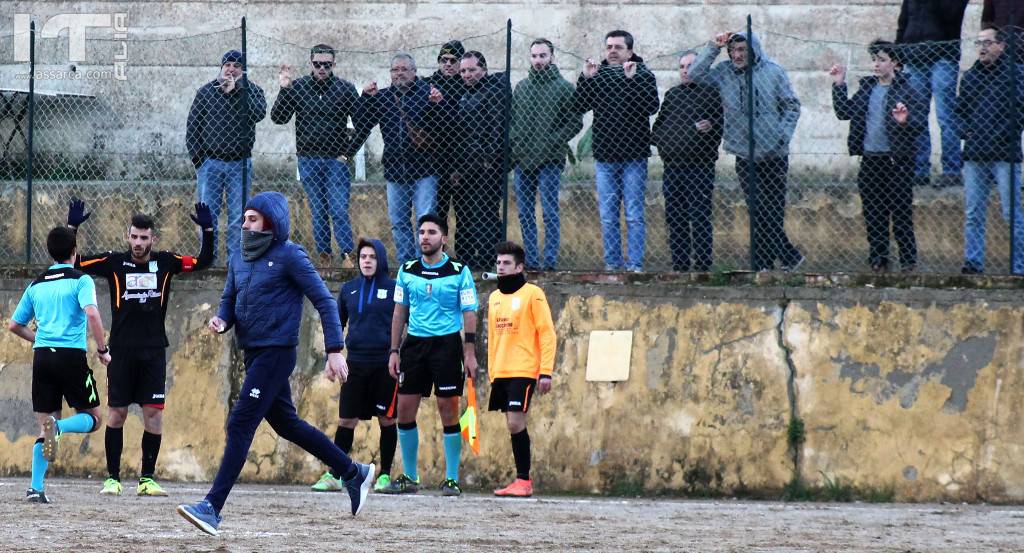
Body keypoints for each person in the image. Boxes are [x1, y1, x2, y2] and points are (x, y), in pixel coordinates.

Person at [177, 192, 373, 536]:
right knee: (287, 424)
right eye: (245, 218)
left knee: (240, 423)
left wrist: (334, 349)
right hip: (253, 352)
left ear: (271, 222)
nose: (245, 224)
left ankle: (211, 507)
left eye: (253, 219)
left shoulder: (290, 255)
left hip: (276, 353)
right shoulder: (239, 256)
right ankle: (354, 472)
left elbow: (325, 301)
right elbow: (229, 298)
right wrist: (223, 320)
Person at [66, 200, 214, 496]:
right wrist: (72, 228)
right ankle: (112, 478)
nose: (138, 242)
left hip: (154, 351)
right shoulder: (113, 262)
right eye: (134, 236)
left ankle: (147, 479)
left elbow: (203, 261)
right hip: (120, 351)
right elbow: (73, 262)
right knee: (117, 414)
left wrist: (208, 230)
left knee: (154, 415)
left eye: (143, 238)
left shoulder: (167, 262)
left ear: (152, 239)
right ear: (128, 236)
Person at [8, 226, 111, 504]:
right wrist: (103, 350)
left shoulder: (36, 284)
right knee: (94, 419)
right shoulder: (81, 280)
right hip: (70, 357)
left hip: (42, 357)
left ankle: (35, 488)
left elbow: (14, 325)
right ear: (74, 253)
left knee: (44, 425)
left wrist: (38, 339)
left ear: (50, 253)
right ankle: (61, 427)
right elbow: (92, 314)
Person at [690, 31, 803, 272]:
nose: (737, 55)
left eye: (742, 50)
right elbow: (695, 74)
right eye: (733, 51)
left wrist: (781, 135)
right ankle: (783, 258)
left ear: (753, 51)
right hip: (744, 153)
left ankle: (768, 263)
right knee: (757, 209)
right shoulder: (723, 73)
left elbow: (791, 106)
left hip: (775, 153)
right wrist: (714, 46)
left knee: (772, 210)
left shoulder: (773, 71)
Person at [382, 213, 479, 496]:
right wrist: (394, 350)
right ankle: (410, 476)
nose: (425, 237)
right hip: (414, 346)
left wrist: (469, 352)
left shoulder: (460, 271)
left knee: (448, 410)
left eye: (432, 232)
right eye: (422, 232)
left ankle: (451, 478)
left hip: (447, 346)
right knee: (404, 409)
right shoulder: (407, 270)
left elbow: (469, 313)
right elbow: (399, 313)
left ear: (444, 239)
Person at [310, 238, 398, 493]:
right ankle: (336, 474)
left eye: (372, 257)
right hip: (355, 363)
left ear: (380, 259)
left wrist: (398, 354)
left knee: (387, 419)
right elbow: (337, 326)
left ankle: (385, 475)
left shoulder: (395, 289)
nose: (367, 261)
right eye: (363, 257)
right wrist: (331, 357)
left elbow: (405, 322)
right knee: (346, 419)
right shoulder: (349, 289)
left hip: (384, 364)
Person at [830, 40, 925, 273]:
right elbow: (844, 113)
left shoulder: (907, 88)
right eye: (874, 59)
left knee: (900, 214)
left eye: (882, 60)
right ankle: (879, 259)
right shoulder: (867, 88)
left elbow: (920, 123)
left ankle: (908, 262)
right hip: (871, 160)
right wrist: (839, 84)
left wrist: (905, 122)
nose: (876, 64)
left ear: (894, 62)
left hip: (897, 162)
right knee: (874, 214)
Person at [574, 30, 659, 272]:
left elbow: (651, 106)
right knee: (608, 216)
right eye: (609, 46)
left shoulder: (642, 74)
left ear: (629, 51)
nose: (612, 51)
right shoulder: (598, 74)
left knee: (633, 214)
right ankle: (612, 264)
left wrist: (631, 81)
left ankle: (634, 265)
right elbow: (580, 105)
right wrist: (586, 78)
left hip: (634, 156)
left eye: (618, 47)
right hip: (605, 157)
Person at [271, 44, 360, 268]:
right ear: (311, 63)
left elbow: (362, 122)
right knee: (318, 210)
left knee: (338, 209)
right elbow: (279, 117)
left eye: (326, 65)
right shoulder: (298, 87)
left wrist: (347, 153)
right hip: (308, 159)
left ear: (333, 65)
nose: (322, 68)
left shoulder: (345, 89)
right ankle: (324, 256)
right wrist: (284, 88)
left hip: (335, 161)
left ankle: (348, 255)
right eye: (317, 64)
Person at [352, 53, 442, 264]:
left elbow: (444, 128)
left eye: (404, 69)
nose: (399, 73)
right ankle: (407, 264)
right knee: (399, 222)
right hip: (394, 171)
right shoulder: (383, 97)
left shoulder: (427, 93)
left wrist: (438, 104)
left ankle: (426, 265)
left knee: (425, 221)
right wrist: (365, 97)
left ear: (414, 71)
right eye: (395, 70)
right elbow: (360, 122)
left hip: (424, 170)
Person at [486, 241, 556, 497]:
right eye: (498, 263)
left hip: (524, 370)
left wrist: (545, 371)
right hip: (502, 372)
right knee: (511, 424)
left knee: (516, 422)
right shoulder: (494, 298)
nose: (501, 267)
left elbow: (547, 334)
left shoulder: (533, 294)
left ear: (519, 267)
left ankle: (524, 480)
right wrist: (493, 372)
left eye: (506, 263)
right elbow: (493, 338)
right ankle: (521, 479)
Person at [186, 49, 267, 264]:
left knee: (237, 218)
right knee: (208, 216)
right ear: (221, 67)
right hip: (210, 164)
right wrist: (199, 161)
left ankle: (235, 263)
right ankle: (207, 260)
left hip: (239, 165)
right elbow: (192, 127)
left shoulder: (252, 91)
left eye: (236, 65)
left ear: (243, 71)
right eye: (228, 64)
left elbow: (259, 113)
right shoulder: (205, 92)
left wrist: (238, 90)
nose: (231, 69)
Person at [955, 27, 1024, 274]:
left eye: (987, 42)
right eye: (978, 43)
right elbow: (959, 112)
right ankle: (973, 263)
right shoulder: (971, 76)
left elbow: (1019, 113)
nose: (982, 48)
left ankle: (1019, 266)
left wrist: (998, 136)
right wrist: (966, 132)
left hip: (1005, 154)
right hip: (975, 155)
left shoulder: (1016, 75)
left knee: (1012, 213)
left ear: (1001, 46)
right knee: (973, 212)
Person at [510, 38, 583, 271]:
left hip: (550, 159)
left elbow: (575, 122)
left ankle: (549, 261)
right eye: (534, 56)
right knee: (525, 214)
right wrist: (517, 141)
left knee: (550, 212)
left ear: (552, 57)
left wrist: (554, 140)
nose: (538, 60)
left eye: (543, 55)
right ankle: (531, 260)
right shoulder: (522, 87)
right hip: (523, 159)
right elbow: (512, 120)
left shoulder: (563, 88)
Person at [651, 50, 723, 272]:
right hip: (673, 167)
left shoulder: (711, 94)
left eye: (690, 66)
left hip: (700, 167)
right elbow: (657, 132)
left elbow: (717, 129)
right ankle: (680, 265)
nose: (685, 71)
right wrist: (685, 134)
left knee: (700, 216)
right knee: (675, 217)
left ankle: (703, 265)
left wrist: (700, 130)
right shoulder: (672, 95)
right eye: (681, 67)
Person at [896, 0, 969, 187]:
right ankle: (920, 170)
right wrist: (898, 53)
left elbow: (952, 14)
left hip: (943, 57)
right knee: (916, 116)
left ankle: (952, 171)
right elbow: (903, 21)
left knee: (946, 116)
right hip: (914, 57)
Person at [447, 51, 507, 270]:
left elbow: (497, 129)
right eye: (463, 71)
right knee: (465, 215)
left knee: (485, 214)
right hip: (466, 167)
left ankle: (489, 260)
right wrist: (458, 168)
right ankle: (467, 261)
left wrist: (488, 159)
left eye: (472, 70)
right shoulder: (465, 95)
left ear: (484, 69)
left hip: (485, 167)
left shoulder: (493, 93)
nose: (467, 74)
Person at [426, 40, 467, 229]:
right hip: (435, 159)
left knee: (464, 215)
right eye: (444, 60)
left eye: (453, 60)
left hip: (462, 157)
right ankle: (438, 256)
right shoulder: (428, 86)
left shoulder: (467, 86)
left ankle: (464, 256)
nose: (448, 64)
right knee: (438, 215)